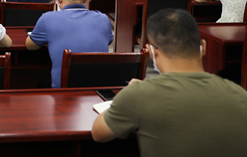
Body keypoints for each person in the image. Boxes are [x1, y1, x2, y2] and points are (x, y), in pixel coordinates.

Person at [92, 9, 247, 155]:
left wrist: (125, 96)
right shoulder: (240, 95)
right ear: (204, 47)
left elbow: (98, 133)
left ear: (152, 52)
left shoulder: (138, 95)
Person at [25, 0, 113, 88]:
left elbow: (30, 46)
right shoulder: (103, 19)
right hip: (98, 90)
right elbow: (108, 43)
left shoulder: (48, 18)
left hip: (63, 91)